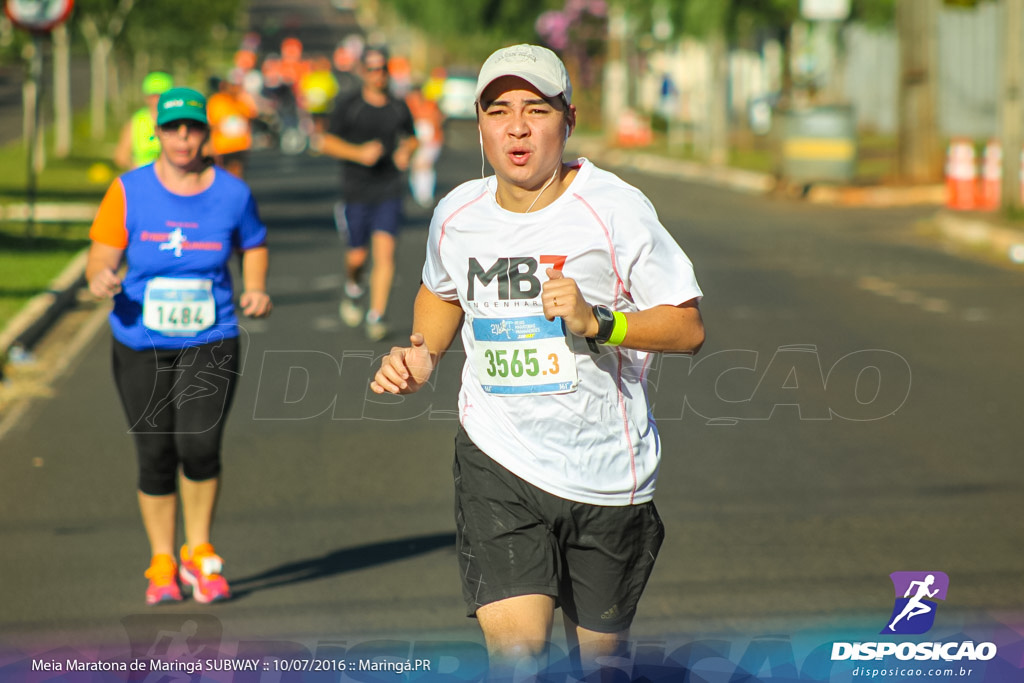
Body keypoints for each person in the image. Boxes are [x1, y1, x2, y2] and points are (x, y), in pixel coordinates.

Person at [370, 44, 705, 678]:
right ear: (479, 125)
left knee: (600, 666)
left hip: (607, 471)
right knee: (518, 656)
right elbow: (441, 290)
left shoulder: (616, 208)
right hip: (498, 457)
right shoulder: (458, 214)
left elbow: (688, 327)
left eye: (536, 110)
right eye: (499, 111)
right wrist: (423, 354)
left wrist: (600, 321)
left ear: (568, 120)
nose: (517, 127)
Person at [86, 87, 272, 606]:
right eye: (172, 128)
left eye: (192, 127)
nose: (183, 137)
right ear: (158, 133)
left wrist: (255, 286)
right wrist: (101, 278)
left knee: (200, 445)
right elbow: (100, 258)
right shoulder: (128, 190)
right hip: (138, 337)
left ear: (205, 133)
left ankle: (200, 549)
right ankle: (162, 560)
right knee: (155, 452)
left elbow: (253, 243)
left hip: (211, 338)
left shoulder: (232, 193)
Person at [312, 45, 418, 342]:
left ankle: (377, 315)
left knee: (385, 253)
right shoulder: (349, 105)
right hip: (356, 190)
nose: (378, 75)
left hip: (389, 188)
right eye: (371, 69)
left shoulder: (398, 106)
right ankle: (353, 287)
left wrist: (404, 153)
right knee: (357, 257)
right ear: (362, 72)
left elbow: (411, 139)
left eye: (382, 68)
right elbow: (324, 142)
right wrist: (358, 153)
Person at [114, 71, 173, 170]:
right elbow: (121, 156)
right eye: (153, 95)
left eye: (160, 96)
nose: (156, 100)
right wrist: (136, 169)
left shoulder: (176, 120)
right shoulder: (136, 121)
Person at [206, 72, 259, 179]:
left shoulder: (243, 100)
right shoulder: (216, 101)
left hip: (240, 146)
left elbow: (251, 117)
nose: (236, 88)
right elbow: (209, 125)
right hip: (222, 147)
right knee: (222, 177)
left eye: (238, 85)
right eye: (233, 85)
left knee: (236, 176)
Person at [405, 82, 445, 207]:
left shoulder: (430, 105)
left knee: (424, 165)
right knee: (416, 167)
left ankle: (425, 195)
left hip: (432, 141)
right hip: (417, 141)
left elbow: (440, 117)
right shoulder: (408, 106)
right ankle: (420, 193)